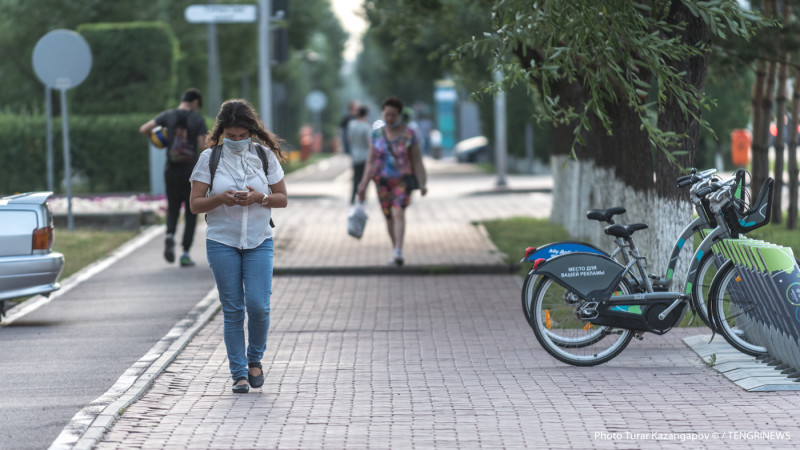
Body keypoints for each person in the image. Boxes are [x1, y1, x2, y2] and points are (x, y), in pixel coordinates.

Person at [188, 99, 288, 394]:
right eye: (231, 136)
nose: (237, 141)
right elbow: (195, 204)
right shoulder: (210, 158)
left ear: (251, 132)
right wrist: (221, 199)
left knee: (259, 305)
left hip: (259, 240)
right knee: (233, 310)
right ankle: (239, 373)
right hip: (222, 241)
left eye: (243, 136)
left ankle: (254, 358)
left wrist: (261, 198)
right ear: (221, 133)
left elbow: (282, 197)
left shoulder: (264, 156)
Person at [139, 88, 208, 267]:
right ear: (195, 103)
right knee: (192, 211)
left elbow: (144, 129)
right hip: (191, 172)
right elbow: (203, 146)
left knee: (173, 208)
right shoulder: (197, 119)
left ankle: (169, 235)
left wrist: (158, 140)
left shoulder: (167, 115)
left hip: (171, 170)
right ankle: (185, 253)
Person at [357, 96, 427, 266]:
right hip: (382, 182)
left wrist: (422, 182)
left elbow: (416, 160)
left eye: (393, 115)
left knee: (398, 213)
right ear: (383, 113)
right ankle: (395, 247)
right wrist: (363, 184)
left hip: (402, 181)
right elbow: (371, 160)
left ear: (399, 115)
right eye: (387, 114)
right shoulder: (376, 134)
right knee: (389, 217)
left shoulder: (409, 134)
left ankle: (398, 251)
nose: (389, 118)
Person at [347, 105, 370, 204]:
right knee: (364, 179)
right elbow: (368, 142)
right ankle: (362, 197)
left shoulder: (351, 125)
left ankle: (353, 198)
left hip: (355, 155)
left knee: (356, 178)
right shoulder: (366, 127)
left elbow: (349, 140)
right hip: (365, 156)